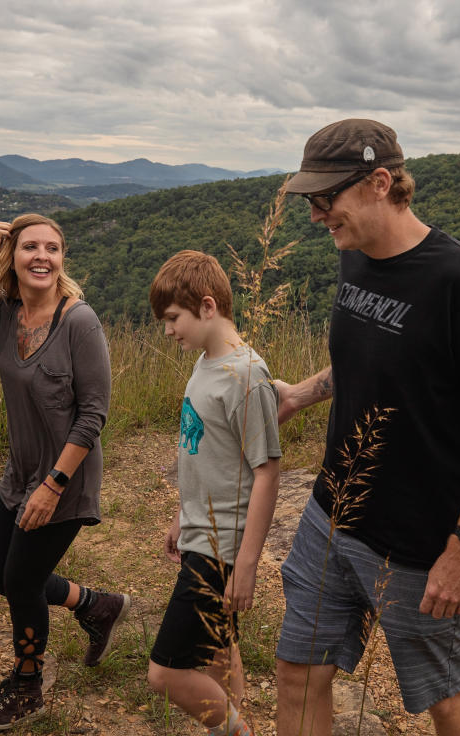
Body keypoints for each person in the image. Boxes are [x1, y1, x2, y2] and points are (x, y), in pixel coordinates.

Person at [272, 120, 460, 736]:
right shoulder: (355, 256)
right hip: (330, 516)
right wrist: (301, 394)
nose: (316, 216)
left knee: (443, 694)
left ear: (380, 183)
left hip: (416, 546)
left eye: (324, 199)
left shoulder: (459, 285)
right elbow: (370, 357)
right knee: (296, 670)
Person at [0, 213, 130, 732]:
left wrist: (53, 487)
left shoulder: (80, 321)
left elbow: (94, 415)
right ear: (13, 257)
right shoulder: (3, 315)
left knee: (19, 580)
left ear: (62, 259)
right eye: (29, 247)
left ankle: (27, 684)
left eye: (52, 248)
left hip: (66, 479)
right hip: (20, 474)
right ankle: (97, 605)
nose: (42, 256)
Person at [145, 250, 282, 736]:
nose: (168, 331)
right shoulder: (208, 361)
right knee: (219, 655)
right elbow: (209, 452)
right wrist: (184, 514)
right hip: (201, 533)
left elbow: (266, 471)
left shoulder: (245, 376)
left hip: (220, 550)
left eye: (173, 319)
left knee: (165, 673)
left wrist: (244, 564)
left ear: (207, 307)